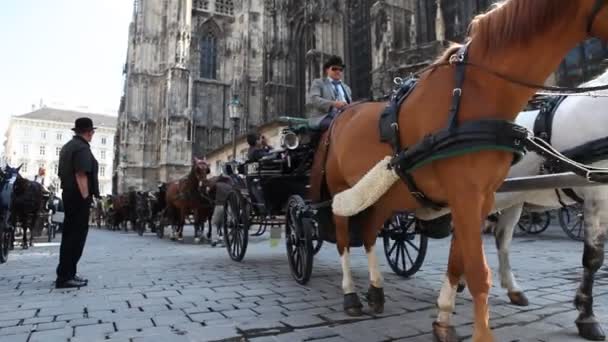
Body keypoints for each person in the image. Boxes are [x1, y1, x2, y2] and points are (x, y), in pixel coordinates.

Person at [55, 117, 100, 289]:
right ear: (88, 132)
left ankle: (67, 273)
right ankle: (66, 277)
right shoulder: (81, 148)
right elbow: (81, 174)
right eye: (92, 132)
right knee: (76, 237)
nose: (93, 134)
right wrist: (86, 198)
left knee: (69, 236)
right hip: (78, 197)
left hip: (69, 194)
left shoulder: (68, 146)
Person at [306, 55, 352, 130]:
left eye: (340, 69)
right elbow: (314, 99)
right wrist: (333, 103)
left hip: (344, 116)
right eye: (334, 69)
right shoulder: (318, 83)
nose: (338, 71)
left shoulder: (347, 88)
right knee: (340, 125)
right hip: (323, 117)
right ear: (327, 70)